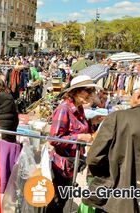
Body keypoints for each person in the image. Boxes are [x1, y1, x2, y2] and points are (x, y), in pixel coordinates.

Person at [83, 77, 140, 213]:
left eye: (133, 91)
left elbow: (94, 158)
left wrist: (109, 178)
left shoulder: (117, 118)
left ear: (139, 92)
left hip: (116, 201)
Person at [47, 75, 103, 212]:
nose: (90, 95)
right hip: (61, 165)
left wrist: (91, 122)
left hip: (72, 163)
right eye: (88, 91)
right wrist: (79, 137)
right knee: (57, 201)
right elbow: (54, 138)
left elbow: (79, 128)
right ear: (76, 92)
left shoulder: (79, 108)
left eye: (91, 92)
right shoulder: (64, 109)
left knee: (63, 198)